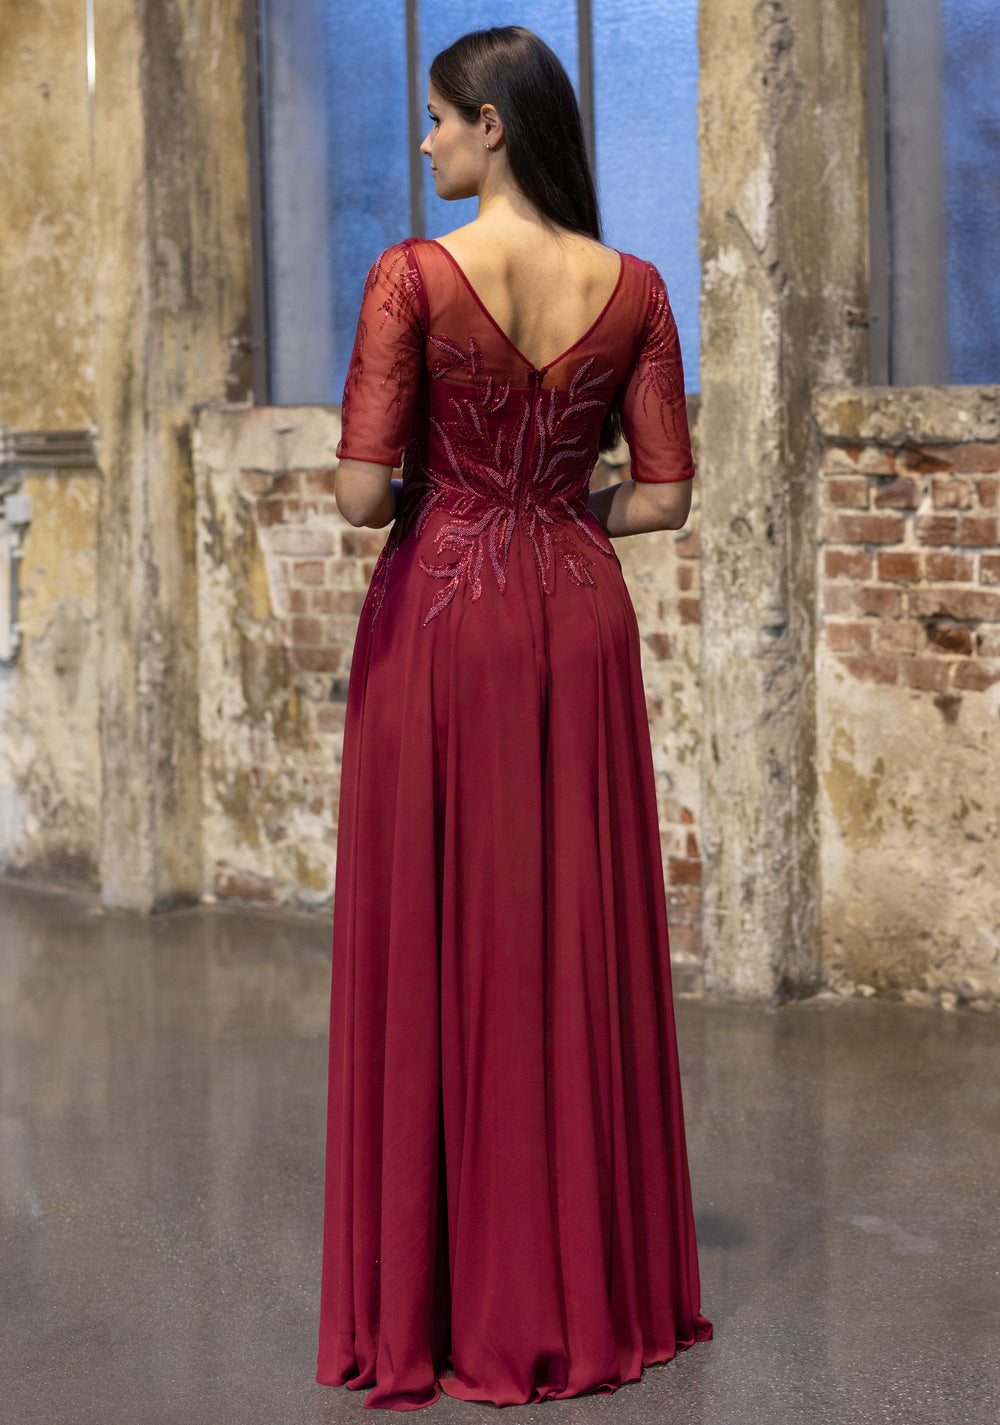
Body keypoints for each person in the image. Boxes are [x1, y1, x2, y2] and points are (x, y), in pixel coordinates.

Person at [317, 25, 712, 1411]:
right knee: (566, 929)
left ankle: (449, 1294)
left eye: (437, 118)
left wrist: (456, 496)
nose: (425, 140)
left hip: (443, 616)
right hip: (579, 613)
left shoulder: (412, 277)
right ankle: (583, 1283)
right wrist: (556, 510)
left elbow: (361, 497)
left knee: (445, 931)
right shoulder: (636, 286)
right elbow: (663, 496)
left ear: (490, 124)